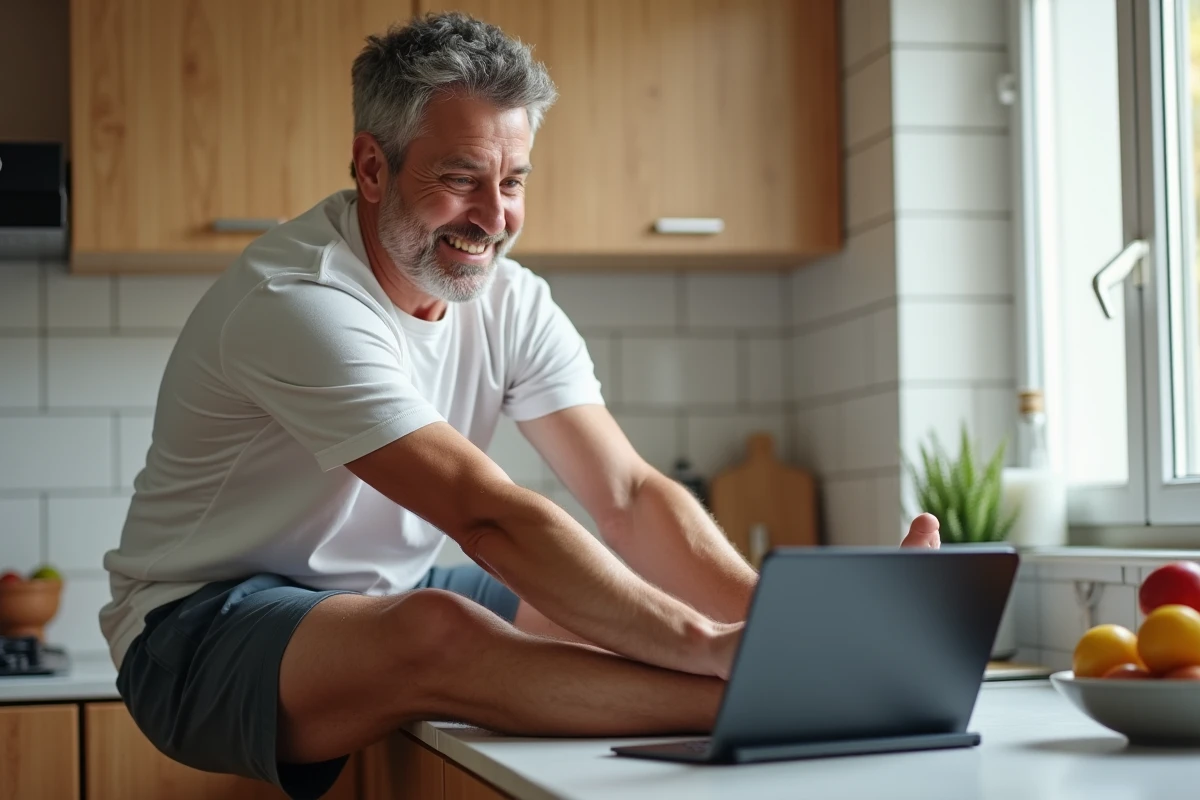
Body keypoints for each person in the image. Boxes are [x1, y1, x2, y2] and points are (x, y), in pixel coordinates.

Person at [99, 12, 941, 800]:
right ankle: (769, 707)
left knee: (603, 588)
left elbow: (628, 495)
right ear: (370, 167)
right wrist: (708, 651)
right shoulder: (299, 300)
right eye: (459, 179)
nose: (493, 218)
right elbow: (486, 516)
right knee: (438, 626)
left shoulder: (511, 299)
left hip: (378, 586)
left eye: (512, 181)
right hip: (194, 631)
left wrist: (786, 623)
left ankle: (792, 680)